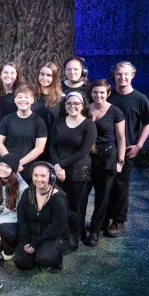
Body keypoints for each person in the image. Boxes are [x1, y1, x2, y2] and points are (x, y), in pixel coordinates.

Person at [106, 61, 149, 238]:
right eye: (119, 74)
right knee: (105, 185)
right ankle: (103, 218)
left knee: (121, 186)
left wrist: (139, 145)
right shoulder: (108, 96)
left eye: (126, 74)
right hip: (105, 148)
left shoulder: (140, 99)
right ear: (114, 75)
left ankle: (119, 220)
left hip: (126, 150)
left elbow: (147, 123)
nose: (122, 77)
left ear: (132, 75)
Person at [48, 91, 96, 251]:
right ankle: (61, 236)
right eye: (69, 103)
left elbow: (83, 151)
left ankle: (73, 240)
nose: (72, 106)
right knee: (60, 204)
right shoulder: (59, 122)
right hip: (59, 169)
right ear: (65, 105)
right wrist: (57, 165)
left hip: (78, 170)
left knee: (74, 207)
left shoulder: (89, 125)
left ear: (83, 105)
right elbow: (52, 146)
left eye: (76, 103)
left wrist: (61, 165)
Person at [84, 79, 126, 247]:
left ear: (108, 93)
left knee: (102, 197)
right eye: (95, 92)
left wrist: (120, 161)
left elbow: (121, 139)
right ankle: (79, 226)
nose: (98, 95)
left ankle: (95, 231)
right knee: (83, 194)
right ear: (91, 93)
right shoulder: (85, 109)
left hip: (108, 158)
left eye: (102, 92)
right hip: (87, 158)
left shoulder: (115, 112)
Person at [14, 162, 70, 273]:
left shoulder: (58, 199)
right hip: (32, 235)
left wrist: (36, 243)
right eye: (36, 175)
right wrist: (26, 241)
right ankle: (36, 255)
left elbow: (57, 227)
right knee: (22, 263)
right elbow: (22, 218)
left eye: (43, 176)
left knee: (44, 258)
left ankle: (57, 259)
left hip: (52, 237)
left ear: (51, 177)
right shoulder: (27, 193)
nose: (38, 179)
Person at [0, 85, 48, 174]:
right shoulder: (7, 119)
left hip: (28, 169)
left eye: (26, 97)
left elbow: (39, 148)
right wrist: (10, 162)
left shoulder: (39, 121)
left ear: (32, 100)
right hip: (7, 167)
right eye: (19, 97)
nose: (23, 100)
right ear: (15, 100)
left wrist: (20, 163)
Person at [33, 62, 64, 130]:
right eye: (42, 74)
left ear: (54, 77)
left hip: (51, 135)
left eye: (49, 75)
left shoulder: (61, 98)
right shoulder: (31, 95)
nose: (44, 78)